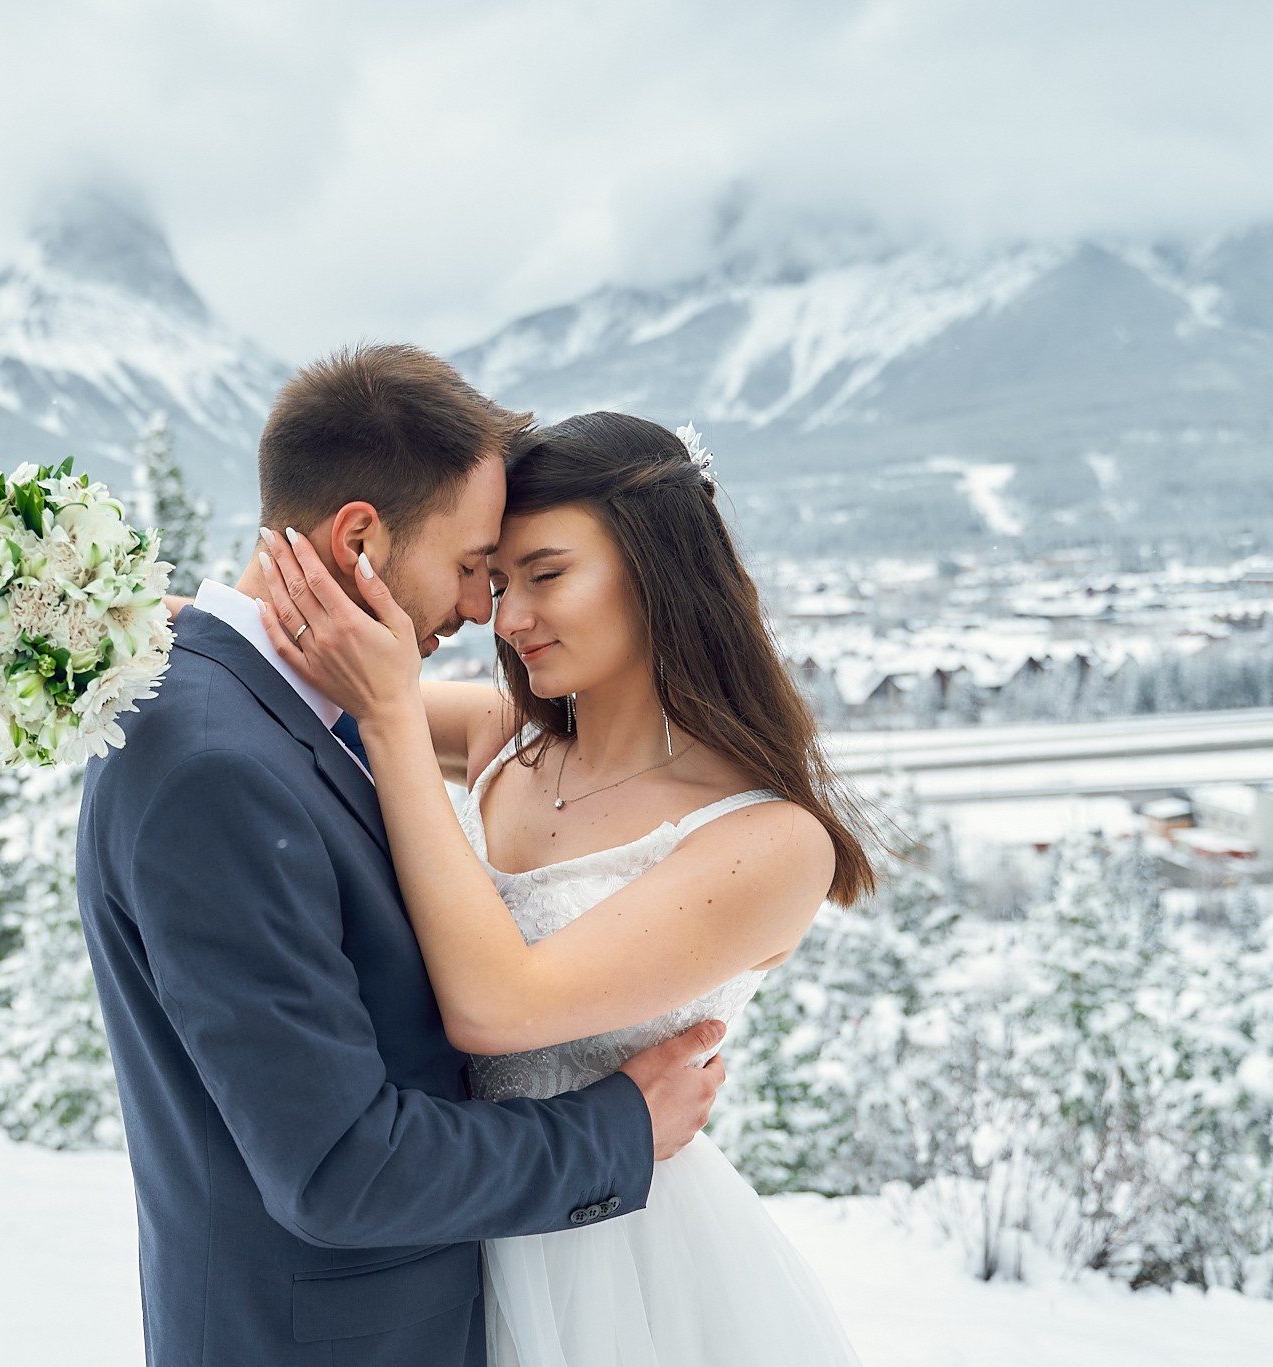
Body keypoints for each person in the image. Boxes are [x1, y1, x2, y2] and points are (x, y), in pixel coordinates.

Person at [75, 348, 729, 1367]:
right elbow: (341, 1168)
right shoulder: (217, 765)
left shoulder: (266, 706)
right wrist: (620, 1132)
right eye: (474, 564)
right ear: (359, 537)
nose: (482, 610)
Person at [255, 409, 875, 1365]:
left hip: (616, 1268)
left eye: (545, 575)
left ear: (662, 568)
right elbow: (300, 661)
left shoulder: (769, 841)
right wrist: (126, 620)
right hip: (445, 1220)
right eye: (497, 582)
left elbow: (498, 1007)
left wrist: (388, 723)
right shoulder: (507, 737)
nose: (507, 619)